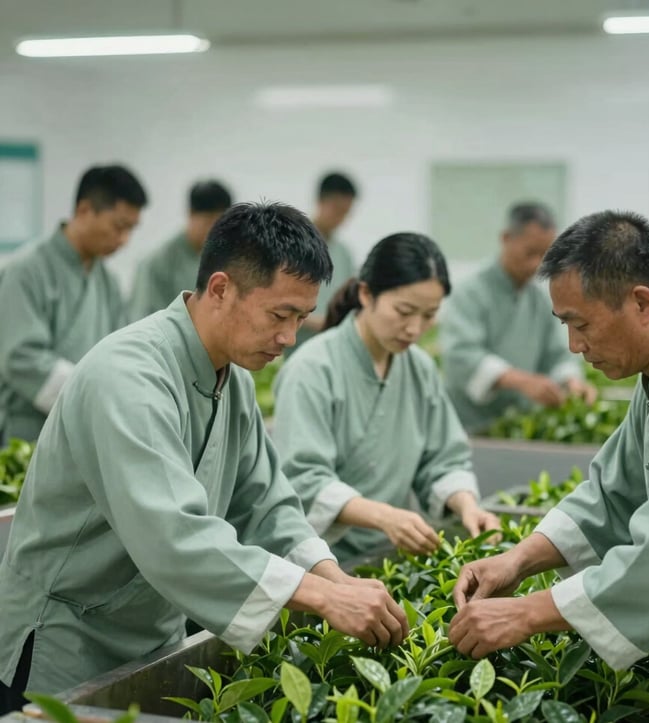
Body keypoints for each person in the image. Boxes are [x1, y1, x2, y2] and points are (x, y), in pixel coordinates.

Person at [0, 202, 408, 712]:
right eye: (279, 315)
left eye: (301, 319)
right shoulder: (129, 375)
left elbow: (265, 504)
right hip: (64, 642)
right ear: (220, 289)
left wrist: (334, 577)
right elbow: (172, 534)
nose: (288, 338)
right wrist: (323, 598)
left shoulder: (231, 380)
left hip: (148, 635)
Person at [448, 210, 649, 723]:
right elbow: (612, 495)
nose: (574, 347)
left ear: (641, 303)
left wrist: (526, 613)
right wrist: (517, 561)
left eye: (581, 324)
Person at [272, 232, 500, 562]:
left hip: (385, 556)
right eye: (404, 311)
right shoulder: (312, 369)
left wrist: (467, 505)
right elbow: (304, 480)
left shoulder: (419, 369)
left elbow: (443, 460)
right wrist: (384, 517)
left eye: (428, 315)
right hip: (317, 563)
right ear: (367, 294)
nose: (414, 329)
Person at [0, 164, 147, 444]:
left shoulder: (108, 282)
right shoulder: (25, 271)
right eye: (119, 226)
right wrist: (91, 393)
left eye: (131, 230)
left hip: (84, 430)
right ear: (84, 210)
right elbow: (20, 357)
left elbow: (121, 352)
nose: (124, 240)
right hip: (27, 435)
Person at [440, 202, 595, 434]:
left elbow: (557, 354)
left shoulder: (540, 299)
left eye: (544, 255)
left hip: (518, 427)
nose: (537, 264)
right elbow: (461, 355)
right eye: (530, 253)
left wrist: (570, 381)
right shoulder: (470, 293)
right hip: (466, 427)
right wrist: (521, 381)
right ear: (506, 238)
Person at [130, 180, 232, 320]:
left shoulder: (227, 258)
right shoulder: (157, 263)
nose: (215, 231)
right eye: (208, 222)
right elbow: (143, 317)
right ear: (191, 214)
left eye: (221, 224)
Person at [286, 171, 357, 355]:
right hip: (296, 346)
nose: (341, 218)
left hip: (333, 347)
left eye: (346, 212)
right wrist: (318, 321)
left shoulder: (343, 252)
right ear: (320, 201)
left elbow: (350, 297)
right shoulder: (292, 245)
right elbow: (280, 301)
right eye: (337, 210)